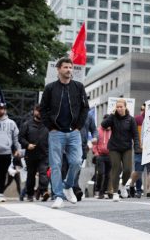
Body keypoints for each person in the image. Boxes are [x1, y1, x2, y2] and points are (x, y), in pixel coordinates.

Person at [40, 57, 90, 209]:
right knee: (55, 165)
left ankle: (68, 186)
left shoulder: (78, 87)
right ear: (59, 69)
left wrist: (78, 126)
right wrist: (51, 127)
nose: (69, 70)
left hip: (74, 132)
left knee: (76, 162)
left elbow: (85, 108)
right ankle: (58, 196)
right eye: (66, 67)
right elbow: (43, 109)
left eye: (70, 67)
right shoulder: (50, 88)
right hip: (56, 132)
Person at [100, 98, 139, 202]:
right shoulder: (113, 118)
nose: (119, 108)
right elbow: (103, 125)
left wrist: (137, 147)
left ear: (125, 107)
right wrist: (111, 115)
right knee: (116, 168)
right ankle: (115, 192)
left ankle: (122, 185)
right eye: (117, 107)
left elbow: (135, 135)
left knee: (127, 170)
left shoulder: (131, 119)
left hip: (126, 147)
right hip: (114, 147)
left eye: (121, 107)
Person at [19, 104, 50, 202]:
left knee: (43, 173)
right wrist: (27, 145)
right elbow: (21, 138)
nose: (40, 112)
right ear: (34, 111)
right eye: (38, 110)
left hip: (44, 154)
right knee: (31, 175)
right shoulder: (27, 124)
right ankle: (30, 194)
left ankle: (44, 191)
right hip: (31, 155)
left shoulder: (47, 124)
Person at [130, 103, 150, 199]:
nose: (144, 110)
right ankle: (132, 185)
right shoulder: (137, 119)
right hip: (140, 148)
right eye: (142, 109)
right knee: (138, 171)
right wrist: (139, 145)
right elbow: (134, 134)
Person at [93, 114, 112, 199]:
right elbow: (94, 143)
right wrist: (96, 153)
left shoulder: (112, 131)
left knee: (108, 175)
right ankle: (98, 189)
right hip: (100, 155)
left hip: (109, 155)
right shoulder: (98, 130)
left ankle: (103, 191)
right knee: (101, 173)